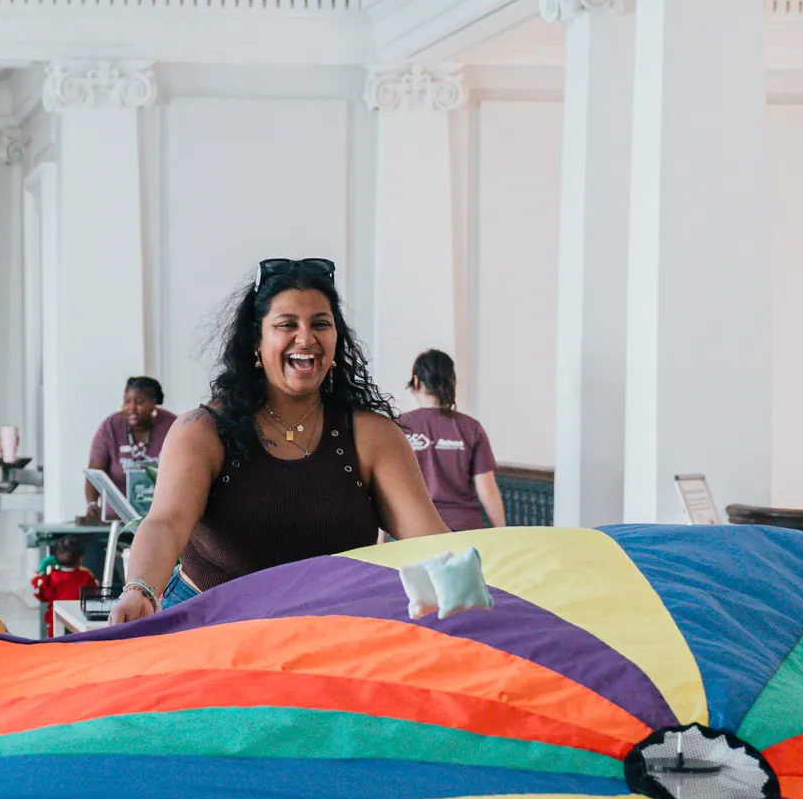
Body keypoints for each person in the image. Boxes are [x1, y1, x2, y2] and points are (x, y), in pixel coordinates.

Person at [110, 258, 448, 625]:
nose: (306, 339)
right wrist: (139, 590)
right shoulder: (203, 430)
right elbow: (166, 523)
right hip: (209, 628)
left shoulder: (372, 436)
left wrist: (496, 586)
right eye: (287, 324)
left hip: (329, 633)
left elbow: (432, 543)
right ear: (256, 339)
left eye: (321, 324)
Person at [397, 349, 506, 532]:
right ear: (453, 382)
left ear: (416, 381)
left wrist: (380, 541)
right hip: (464, 531)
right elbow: (486, 489)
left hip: (414, 532)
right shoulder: (471, 428)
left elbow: (386, 488)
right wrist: (502, 533)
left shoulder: (398, 427)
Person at [84, 376, 177, 518]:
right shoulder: (111, 426)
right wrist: (91, 504)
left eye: (139, 402)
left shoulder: (172, 426)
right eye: (127, 401)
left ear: (153, 403)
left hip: (160, 515)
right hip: (116, 517)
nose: (131, 408)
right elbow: (95, 471)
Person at [30, 534, 98, 637]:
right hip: (80, 624)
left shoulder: (50, 578)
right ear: (80, 558)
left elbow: (41, 595)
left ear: (55, 557)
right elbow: (94, 594)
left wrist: (38, 576)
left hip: (55, 625)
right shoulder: (86, 576)